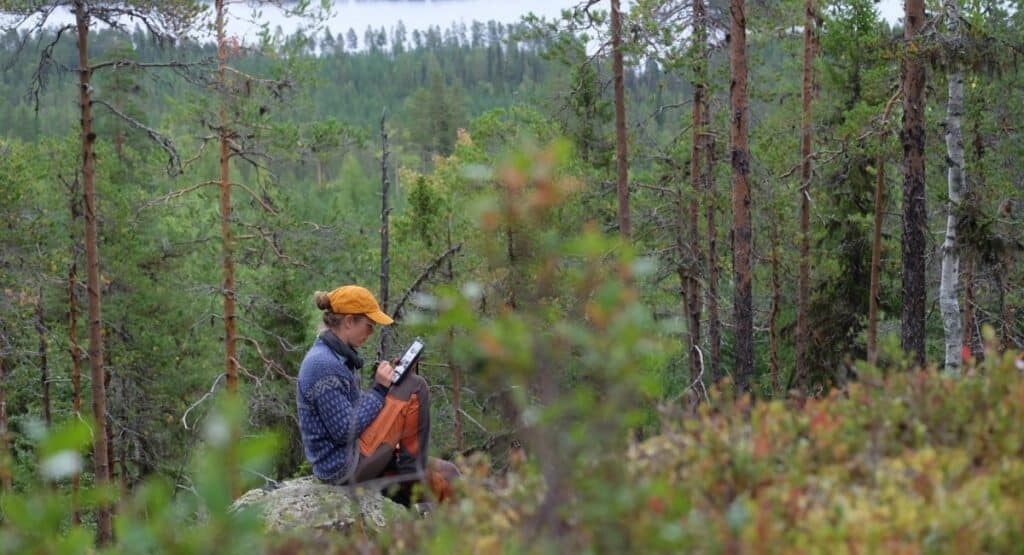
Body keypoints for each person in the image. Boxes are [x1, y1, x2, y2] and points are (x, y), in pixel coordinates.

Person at [296, 284, 457, 503]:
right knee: (415, 386)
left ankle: (458, 529)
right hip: (343, 467)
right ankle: (412, 474)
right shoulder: (323, 365)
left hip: (353, 456)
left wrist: (388, 387)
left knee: (448, 473)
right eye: (369, 326)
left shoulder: (338, 358)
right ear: (349, 321)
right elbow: (344, 429)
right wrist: (380, 389)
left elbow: (351, 411)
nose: (371, 333)